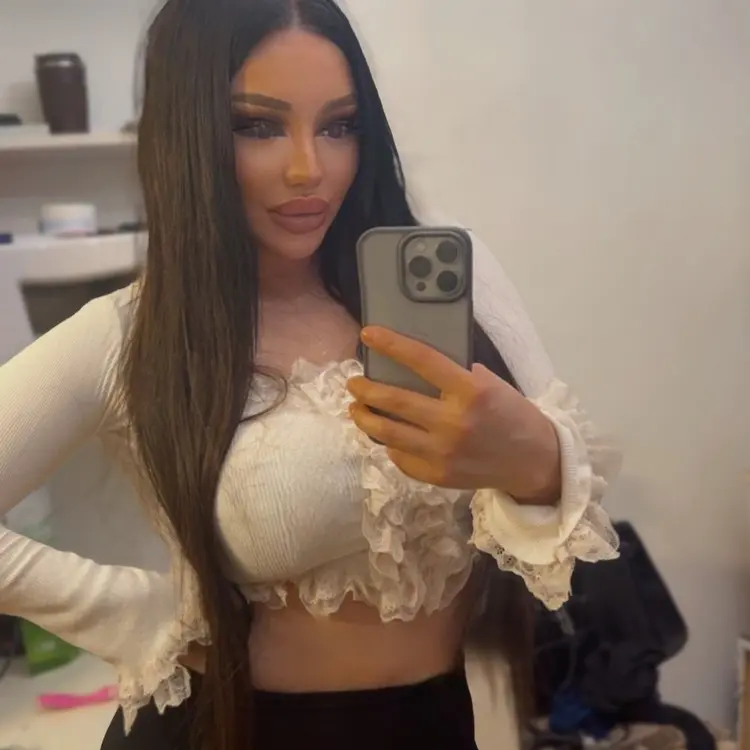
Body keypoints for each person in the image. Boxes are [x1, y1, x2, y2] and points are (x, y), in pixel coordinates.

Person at [0, 1, 621, 748]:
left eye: (339, 124)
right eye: (258, 126)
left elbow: (575, 521)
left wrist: (538, 463)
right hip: (227, 727)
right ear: (189, 135)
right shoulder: (134, 333)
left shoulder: (459, 279)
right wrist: (128, 615)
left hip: (434, 726)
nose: (310, 168)